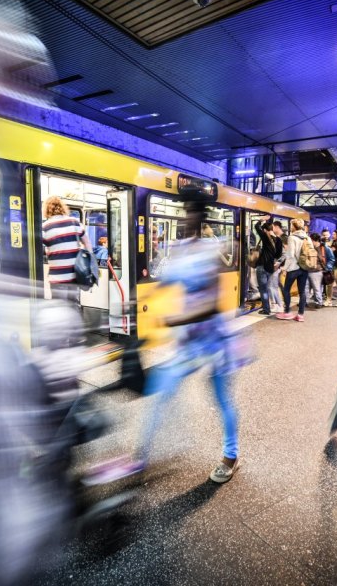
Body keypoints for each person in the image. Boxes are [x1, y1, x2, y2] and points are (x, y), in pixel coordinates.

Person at [93, 199, 241, 484]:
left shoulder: (212, 251)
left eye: (193, 215)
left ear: (202, 220)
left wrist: (177, 319)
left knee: (222, 399)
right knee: (162, 394)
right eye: (186, 215)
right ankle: (140, 457)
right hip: (188, 343)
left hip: (214, 341)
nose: (188, 221)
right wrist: (134, 302)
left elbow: (212, 303)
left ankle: (231, 455)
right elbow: (165, 285)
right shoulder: (178, 250)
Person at [42, 196, 92, 306]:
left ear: (46, 210)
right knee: (74, 307)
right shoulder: (74, 222)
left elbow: (45, 249)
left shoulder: (45, 227)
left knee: (59, 309)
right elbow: (87, 243)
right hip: (75, 275)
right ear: (62, 207)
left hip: (57, 277)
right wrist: (90, 261)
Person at [277, 218, 311, 322]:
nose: (290, 227)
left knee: (286, 290)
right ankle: (300, 315)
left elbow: (290, 255)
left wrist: (284, 268)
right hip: (304, 268)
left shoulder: (292, 238)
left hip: (293, 268)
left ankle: (287, 312)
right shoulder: (307, 237)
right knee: (302, 292)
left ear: (294, 226)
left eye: (291, 225)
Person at [252, 221, 281, 315]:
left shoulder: (265, 237)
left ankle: (266, 309)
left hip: (262, 266)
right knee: (267, 288)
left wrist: (261, 220)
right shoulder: (279, 240)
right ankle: (269, 307)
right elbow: (278, 255)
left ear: (265, 230)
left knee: (263, 289)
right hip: (270, 268)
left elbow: (256, 227)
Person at [268, 221, 285, 312]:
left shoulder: (279, 240)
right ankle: (277, 305)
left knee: (272, 286)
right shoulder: (276, 240)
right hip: (273, 266)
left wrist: (278, 263)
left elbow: (284, 254)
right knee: (273, 286)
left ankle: (277, 305)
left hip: (275, 267)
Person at [306, 233, 326, 308]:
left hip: (317, 271)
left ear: (315, 240)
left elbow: (330, 259)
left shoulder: (323, 248)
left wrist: (326, 268)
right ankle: (305, 301)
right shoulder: (310, 248)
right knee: (306, 287)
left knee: (317, 288)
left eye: (311, 240)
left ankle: (319, 302)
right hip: (308, 269)